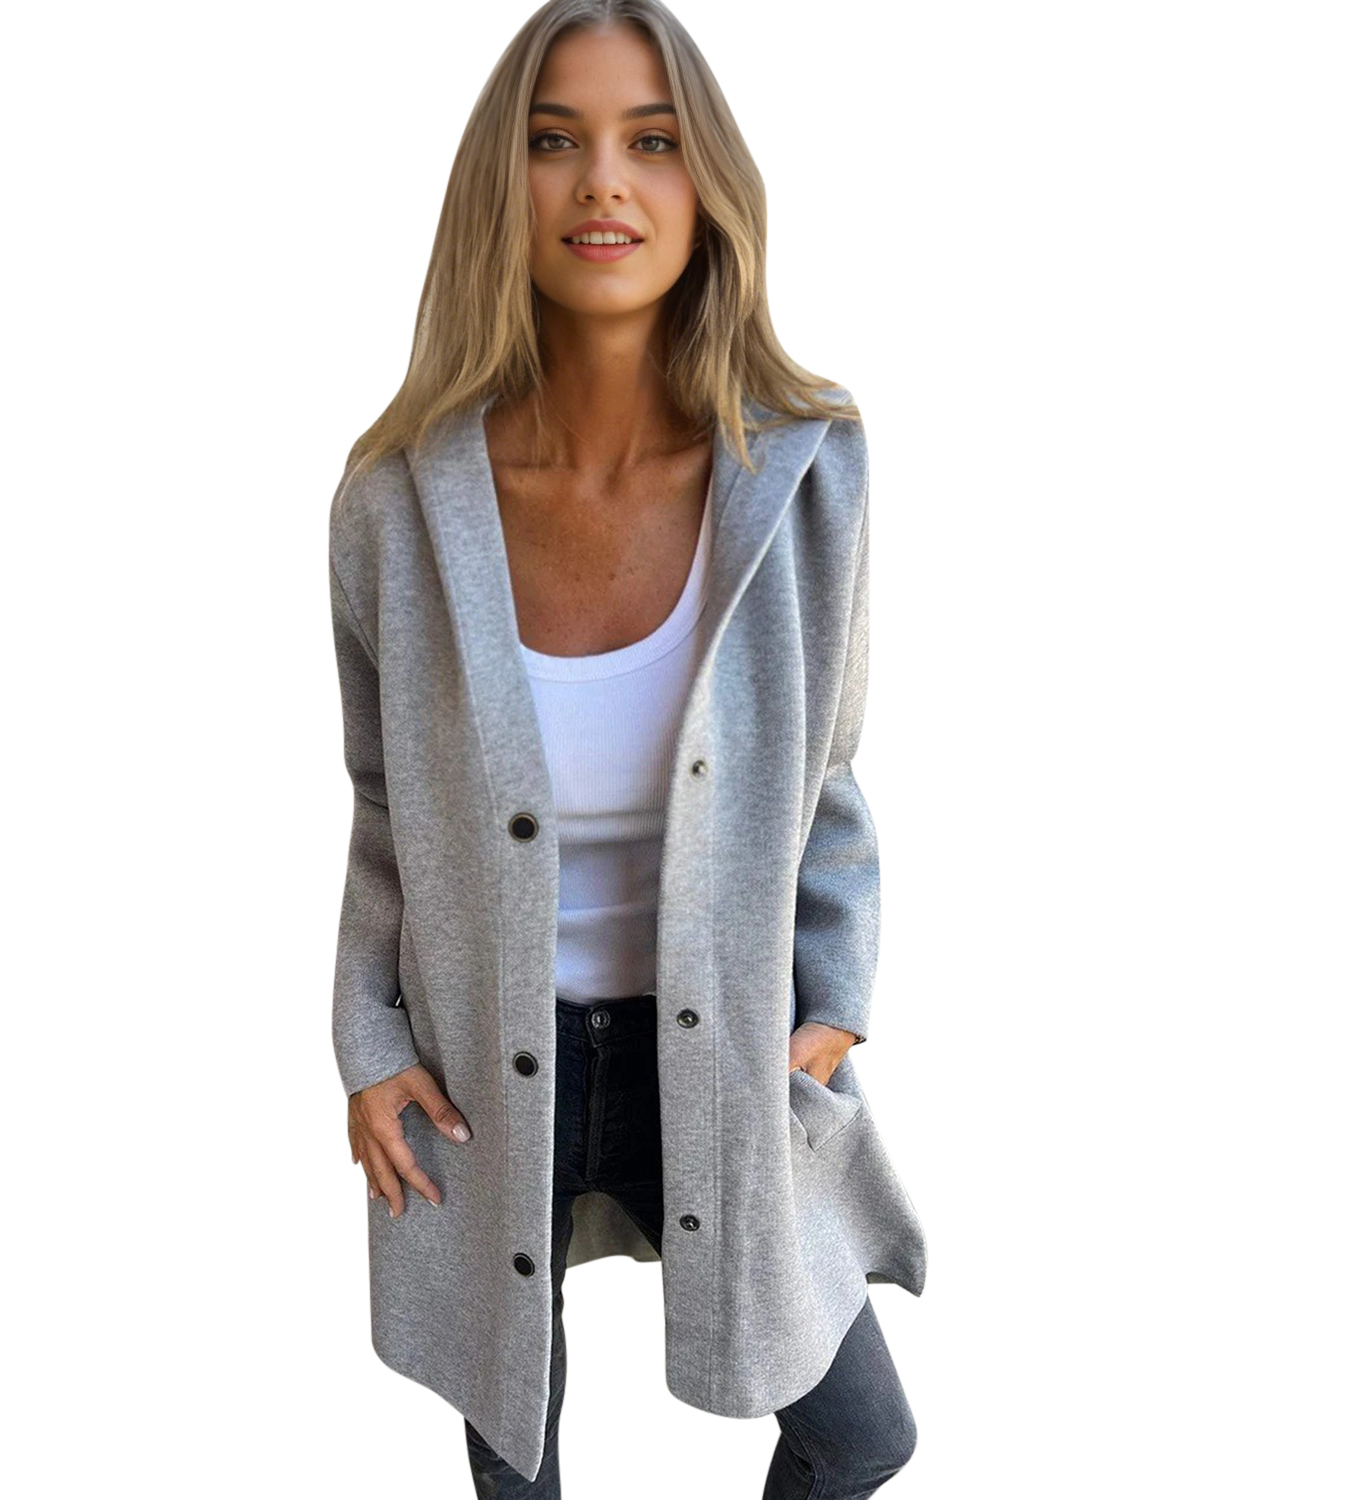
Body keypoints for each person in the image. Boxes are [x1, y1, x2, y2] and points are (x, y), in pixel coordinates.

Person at [326, 3, 926, 1494]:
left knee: (860, 1435)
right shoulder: (396, 504)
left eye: (652, 141)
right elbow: (385, 808)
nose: (604, 180)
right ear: (502, 184)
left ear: (706, 183)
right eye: (556, 140)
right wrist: (370, 1048)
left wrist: (834, 1009)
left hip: (718, 1052)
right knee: (516, 1453)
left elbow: (832, 779)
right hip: (484, 1070)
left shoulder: (807, 474)